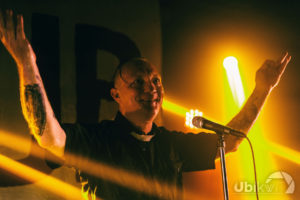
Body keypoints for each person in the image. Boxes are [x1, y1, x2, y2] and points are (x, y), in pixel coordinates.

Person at [0, 10, 291, 200]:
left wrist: (263, 89)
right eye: (137, 82)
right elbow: (48, 135)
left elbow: (231, 141)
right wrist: (27, 63)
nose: (150, 88)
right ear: (115, 95)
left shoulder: (170, 144)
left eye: (155, 81)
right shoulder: (98, 141)